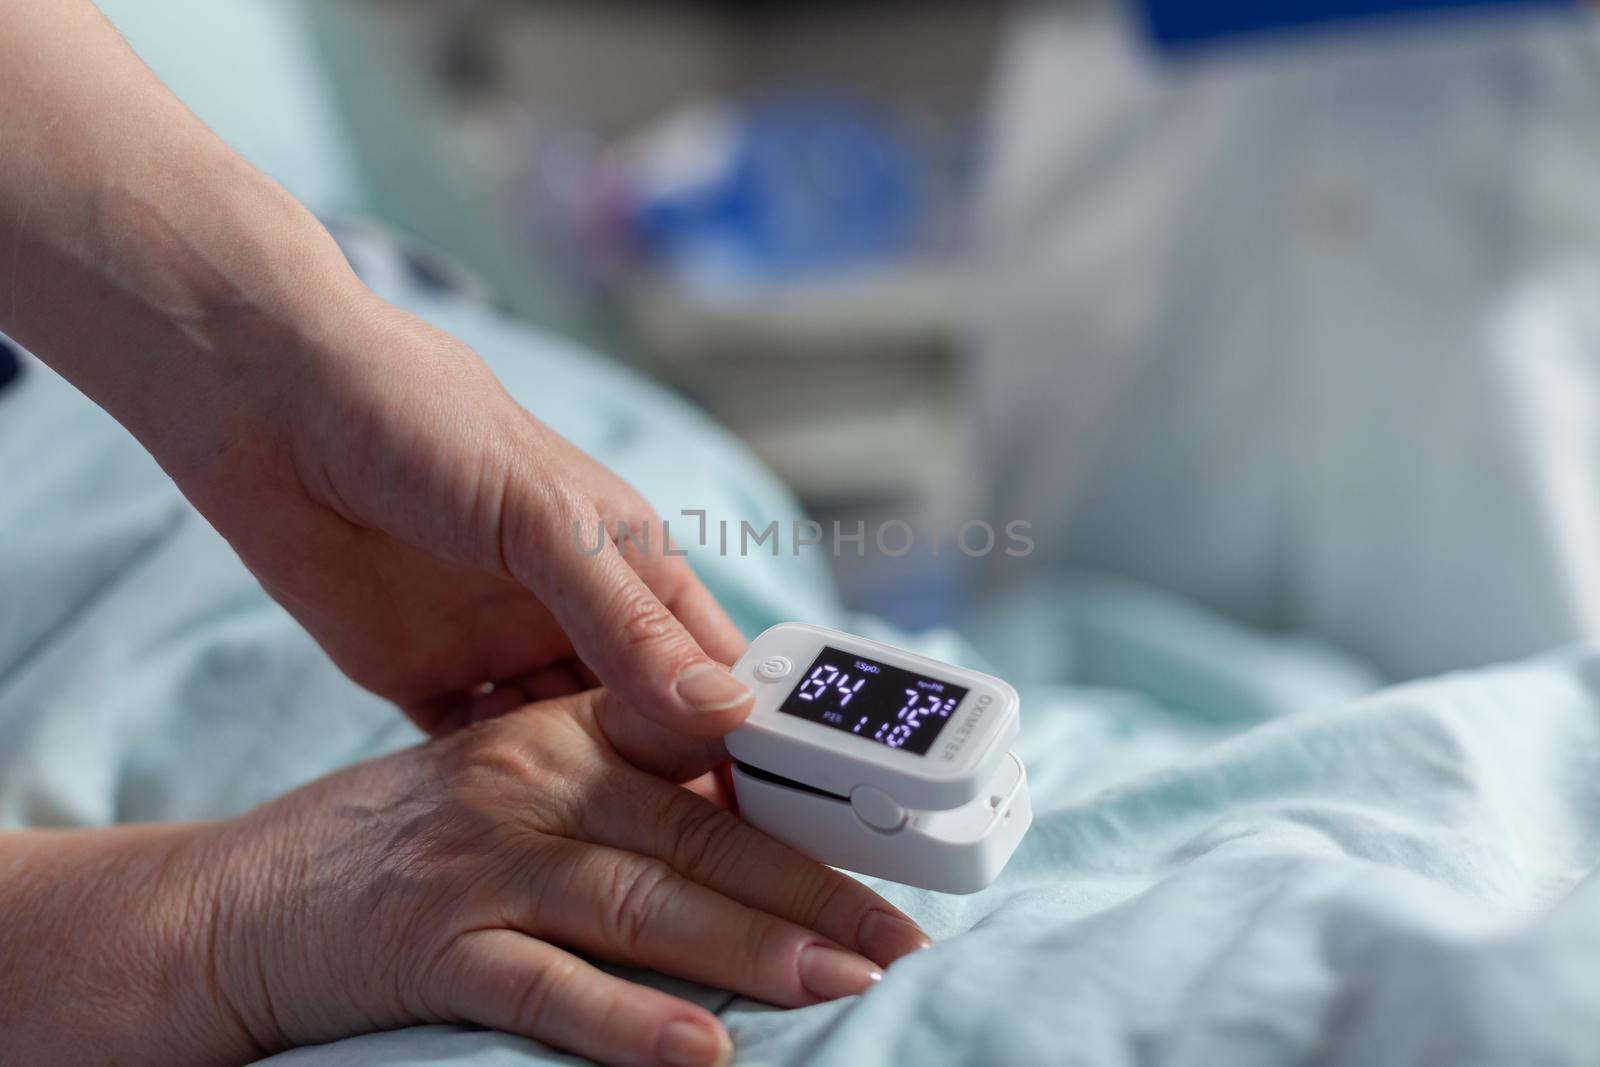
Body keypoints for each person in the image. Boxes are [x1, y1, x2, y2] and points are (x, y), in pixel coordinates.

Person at [0, 3, 931, 1065]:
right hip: (158, 817)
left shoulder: (302, 326)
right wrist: (227, 916)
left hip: (663, 566)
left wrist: (273, 353)